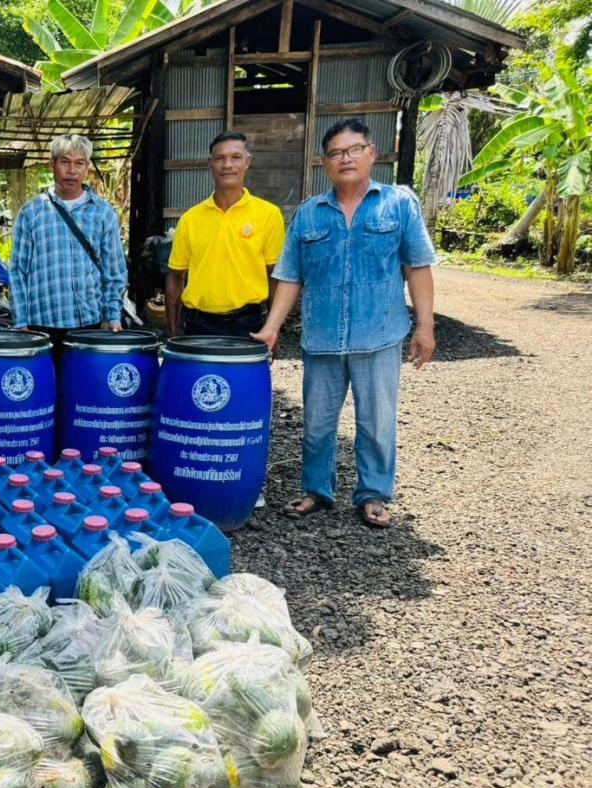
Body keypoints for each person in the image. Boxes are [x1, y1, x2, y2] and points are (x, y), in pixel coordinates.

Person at [252, 117, 436, 530]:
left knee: (376, 423)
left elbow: (417, 266)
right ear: (324, 162)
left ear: (371, 153)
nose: (345, 158)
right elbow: (289, 276)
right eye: (336, 153)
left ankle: (372, 494)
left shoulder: (398, 204)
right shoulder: (309, 214)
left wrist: (425, 326)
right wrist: (272, 327)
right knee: (316, 424)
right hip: (322, 339)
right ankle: (317, 489)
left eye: (354, 149)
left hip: (380, 335)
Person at [166, 131, 285, 337]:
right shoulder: (190, 219)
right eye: (220, 158)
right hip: (197, 324)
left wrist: (273, 330)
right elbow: (175, 276)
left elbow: (275, 277)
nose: (227, 164)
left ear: (247, 162)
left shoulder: (268, 214)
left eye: (236, 157)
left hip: (247, 323)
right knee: (199, 372)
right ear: (210, 164)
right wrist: (173, 331)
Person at [11, 134, 127, 333]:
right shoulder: (31, 213)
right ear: (52, 164)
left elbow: (114, 271)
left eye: (79, 163)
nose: (72, 171)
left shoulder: (102, 212)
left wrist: (113, 315)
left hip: (90, 322)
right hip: (41, 322)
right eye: (64, 162)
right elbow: (17, 271)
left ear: (87, 167)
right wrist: (20, 320)